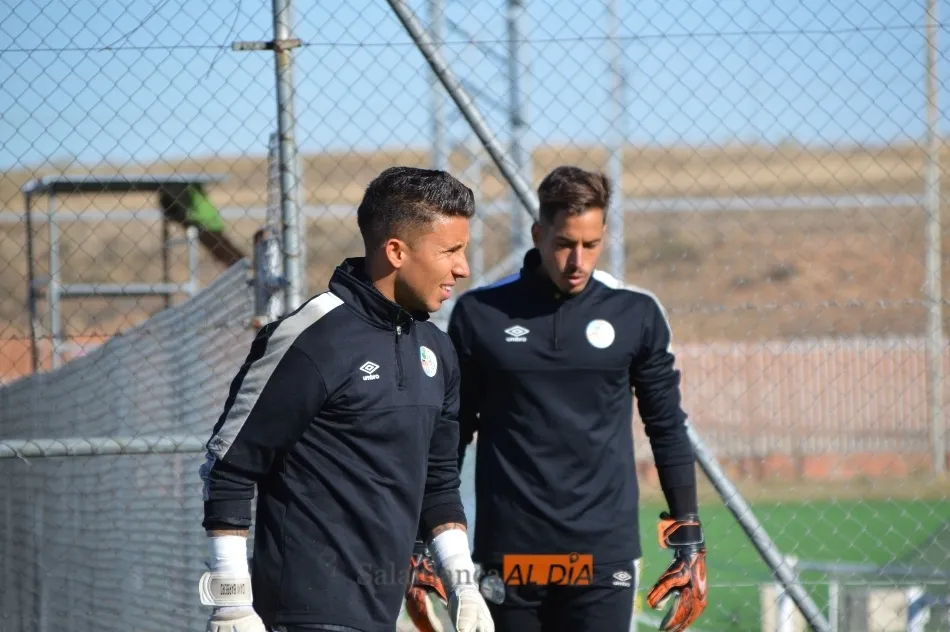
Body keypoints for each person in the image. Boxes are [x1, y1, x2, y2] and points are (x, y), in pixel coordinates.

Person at [197, 166, 496, 632]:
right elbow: (229, 464)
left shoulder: (437, 350)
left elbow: (438, 483)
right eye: (451, 251)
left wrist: (462, 584)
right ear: (396, 251)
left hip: (382, 612)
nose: (463, 268)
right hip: (303, 616)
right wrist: (232, 601)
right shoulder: (312, 336)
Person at [445, 165, 707, 632]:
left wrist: (689, 538)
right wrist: (428, 537)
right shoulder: (480, 314)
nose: (577, 261)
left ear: (604, 234)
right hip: (512, 551)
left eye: (591, 245)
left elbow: (666, 425)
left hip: (603, 552)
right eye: (565, 244)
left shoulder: (636, 313)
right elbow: (451, 434)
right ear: (538, 234)